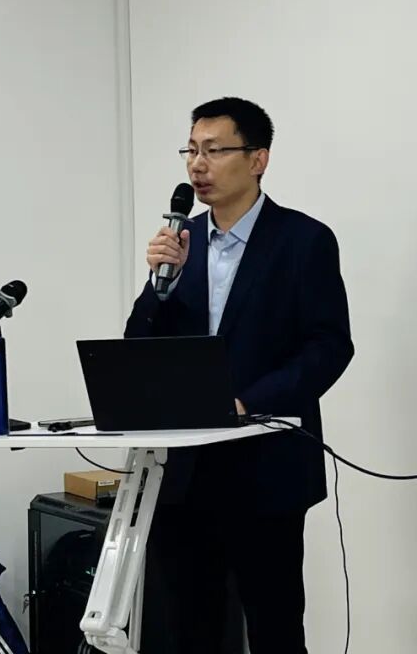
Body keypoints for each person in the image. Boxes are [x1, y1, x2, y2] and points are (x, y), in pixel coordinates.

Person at [124, 97, 354, 652]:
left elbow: (329, 347)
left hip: (266, 472)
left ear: (258, 159)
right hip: (184, 475)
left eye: (214, 150)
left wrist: (249, 403)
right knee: (190, 632)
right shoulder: (180, 244)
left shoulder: (303, 240)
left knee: (275, 630)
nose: (197, 165)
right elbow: (137, 347)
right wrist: (160, 286)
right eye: (191, 151)